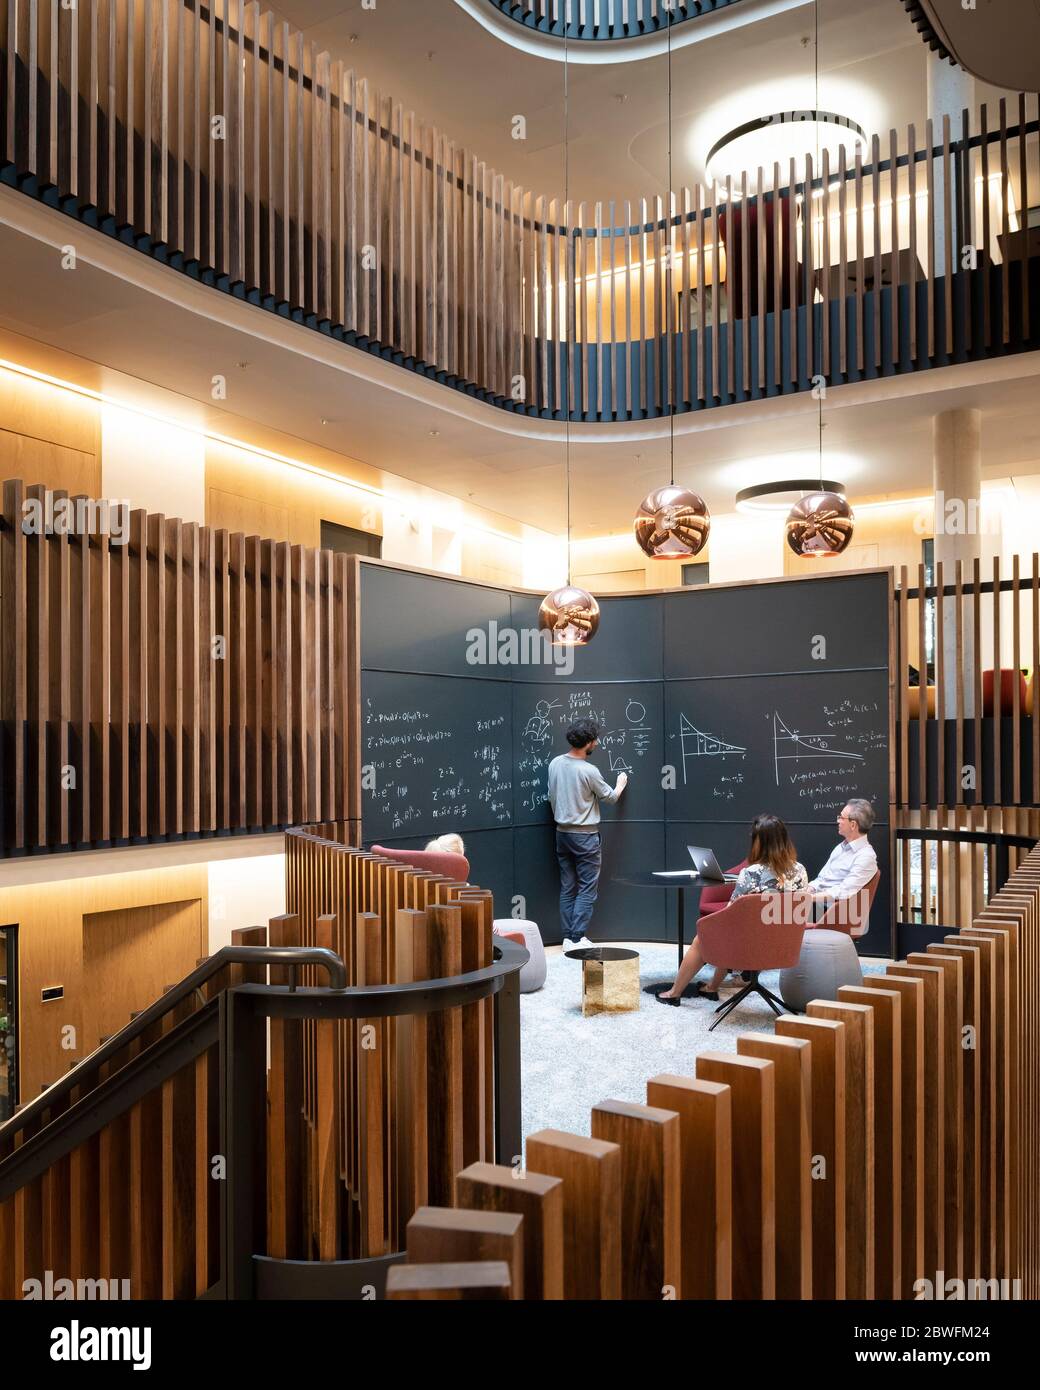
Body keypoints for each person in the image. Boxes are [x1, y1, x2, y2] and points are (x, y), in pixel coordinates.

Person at [648, 814, 808, 1005]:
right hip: (784, 942)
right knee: (727, 932)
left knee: (706, 937)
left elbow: (732, 913)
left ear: (759, 842)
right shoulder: (799, 870)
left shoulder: (750, 873)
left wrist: (712, 923)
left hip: (751, 944)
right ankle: (711, 987)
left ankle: (674, 993)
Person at [547, 720, 628, 948]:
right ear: (588, 743)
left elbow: (551, 794)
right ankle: (576, 937)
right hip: (585, 836)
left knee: (568, 886)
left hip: (562, 833)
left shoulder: (555, 764)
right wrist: (620, 783)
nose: (598, 743)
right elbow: (610, 797)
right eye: (596, 739)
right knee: (587, 888)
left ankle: (567, 937)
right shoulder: (588, 770)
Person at [808, 799, 878, 920]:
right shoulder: (840, 848)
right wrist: (809, 888)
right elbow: (822, 879)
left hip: (833, 914)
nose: (838, 821)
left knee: (778, 915)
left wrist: (808, 898)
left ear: (853, 825)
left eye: (841, 817)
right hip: (817, 905)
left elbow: (843, 892)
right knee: (778, 905)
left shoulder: (866, 857)